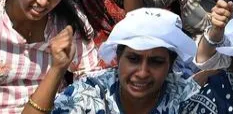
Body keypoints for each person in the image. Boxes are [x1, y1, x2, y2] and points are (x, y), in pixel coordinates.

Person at [46, 9, 200, 114]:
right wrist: (56, 69)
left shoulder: (187, 97)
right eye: (133, 59)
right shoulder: (91, 92)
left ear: (170, 65)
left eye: (156, 62)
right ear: (118, 58)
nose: (142, 73)